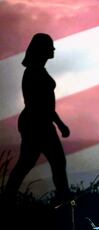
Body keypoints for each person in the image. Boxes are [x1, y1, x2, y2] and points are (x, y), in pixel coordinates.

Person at [5, 33, 71, 203]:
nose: (53, 49)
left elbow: (45, 106)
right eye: (50, 46)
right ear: (42, 49)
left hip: (38, 122)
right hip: (38, 123)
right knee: (54, 162)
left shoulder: (38, 70)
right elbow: (41, 105)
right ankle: (64, 200)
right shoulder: (34, 72)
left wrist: (58, 123)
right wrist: (61, 124)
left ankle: (8, 197)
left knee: (29, 162)